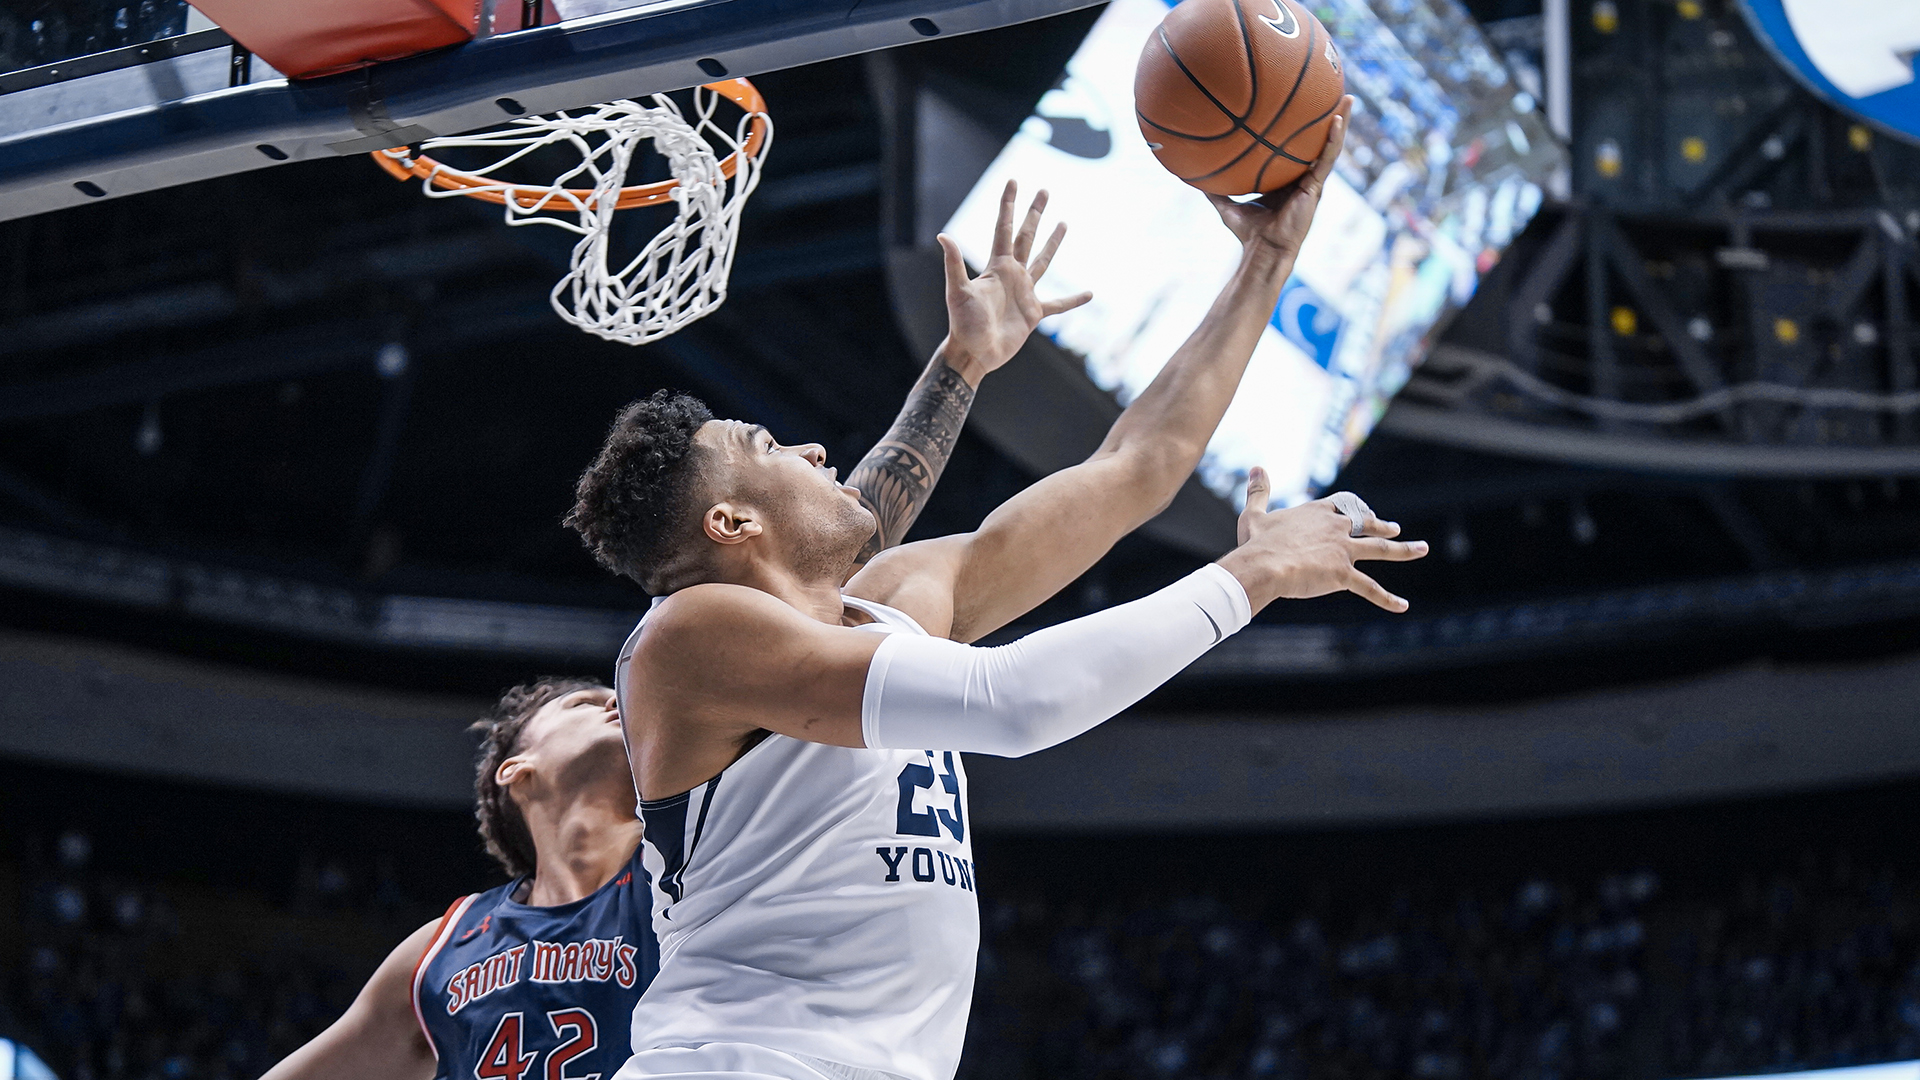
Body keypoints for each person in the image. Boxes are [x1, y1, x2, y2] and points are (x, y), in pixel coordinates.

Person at [568, 101, 1423, 1080]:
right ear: (731, 526)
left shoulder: (894, 604)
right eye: (766, 449)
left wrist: (1266, 261)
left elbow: (1139, 465)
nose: (809, 448)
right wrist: (1252, 573)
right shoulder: (687, 639)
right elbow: (1014, 703)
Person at [255, 264, 1030, 1080]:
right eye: (581, 703)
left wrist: (960, 366)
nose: (610, 701)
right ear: (517, 772)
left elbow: (826, 549)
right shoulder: (444, 948)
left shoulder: (697, 857)